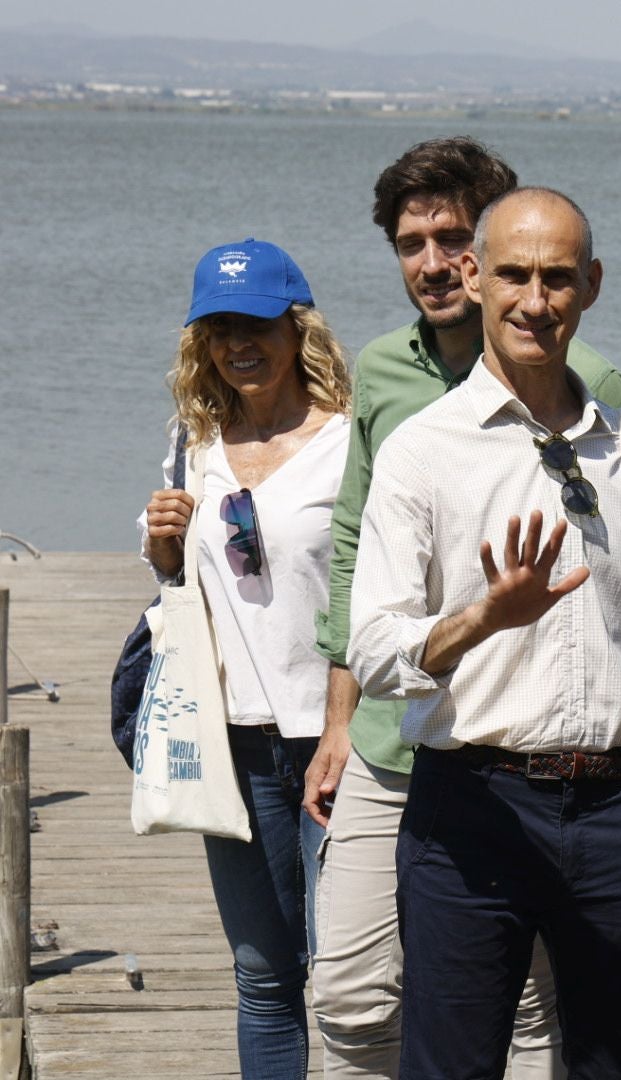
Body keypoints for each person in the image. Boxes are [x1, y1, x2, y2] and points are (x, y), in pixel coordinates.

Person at [348, 187, 621, 1079]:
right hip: (472, 806)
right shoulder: (422, 450)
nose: (534, 301)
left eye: (557, 279)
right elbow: (373, 652)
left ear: (591, 286)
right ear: (474, 278)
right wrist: (480, 620)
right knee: (451, 1067)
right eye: (513, 275)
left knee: (615, 1068)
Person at [304, 136, 621, 1078]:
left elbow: (620, 591)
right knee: (351, 993)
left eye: (453, 239)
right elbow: (351, 556)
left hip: (517, 753)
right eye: (411, 244)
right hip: (392, 741)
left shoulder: (596, 388)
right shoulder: (381, 373)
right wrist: (337, 721)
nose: (433, 264)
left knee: (528, 1009)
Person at [142, 238, 352, 1079]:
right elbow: (180, 584)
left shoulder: (349, 442)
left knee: (349, 978)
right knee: (263, 977)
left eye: (257, 323)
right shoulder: (195, 440)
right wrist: (163, 548)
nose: (239, 343)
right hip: (230, 744)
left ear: (297, 328)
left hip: (336, 743)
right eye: (220, 325)